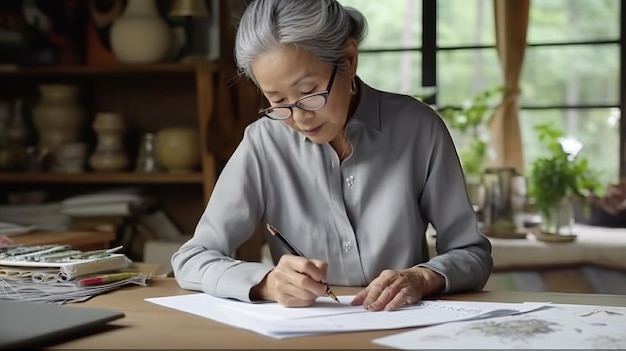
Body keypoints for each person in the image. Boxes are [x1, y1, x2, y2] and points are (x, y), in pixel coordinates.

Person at [172, 0, 493, 312]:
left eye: (309, 92)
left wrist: (423, 277)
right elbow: (192, 258)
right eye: (277, 100)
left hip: (402, 327)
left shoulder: (418, 129)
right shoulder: (263, 142)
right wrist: (266, 282)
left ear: (348, 59)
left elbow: (471, 253)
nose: (298, 117)